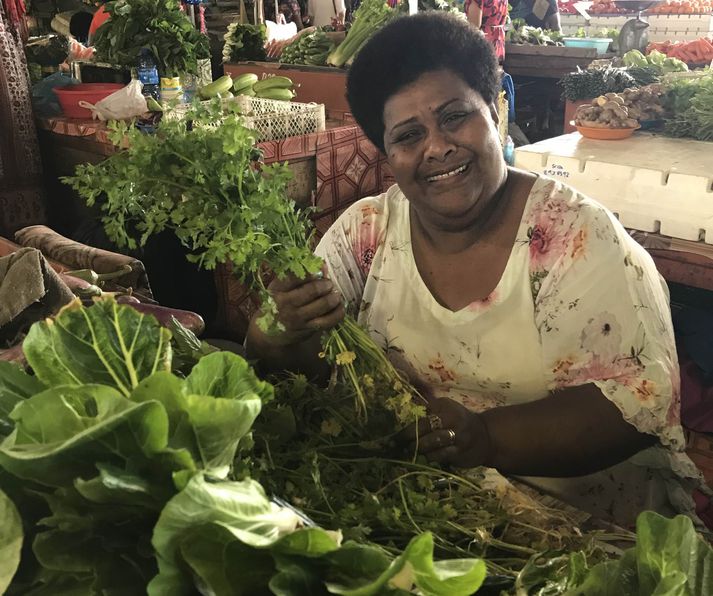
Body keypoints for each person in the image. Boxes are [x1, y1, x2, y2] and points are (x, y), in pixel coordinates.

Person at [246, 12, 710, 530]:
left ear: (495, 109)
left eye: (454, 117)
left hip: (585, 526)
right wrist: (276, 331)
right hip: (431, 511)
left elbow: (637, 404)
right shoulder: (366, 234)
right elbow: (306, 365)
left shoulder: (574, 237)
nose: (437, 147)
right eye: (407, 135)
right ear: (385, 154)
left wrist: (486, 438)